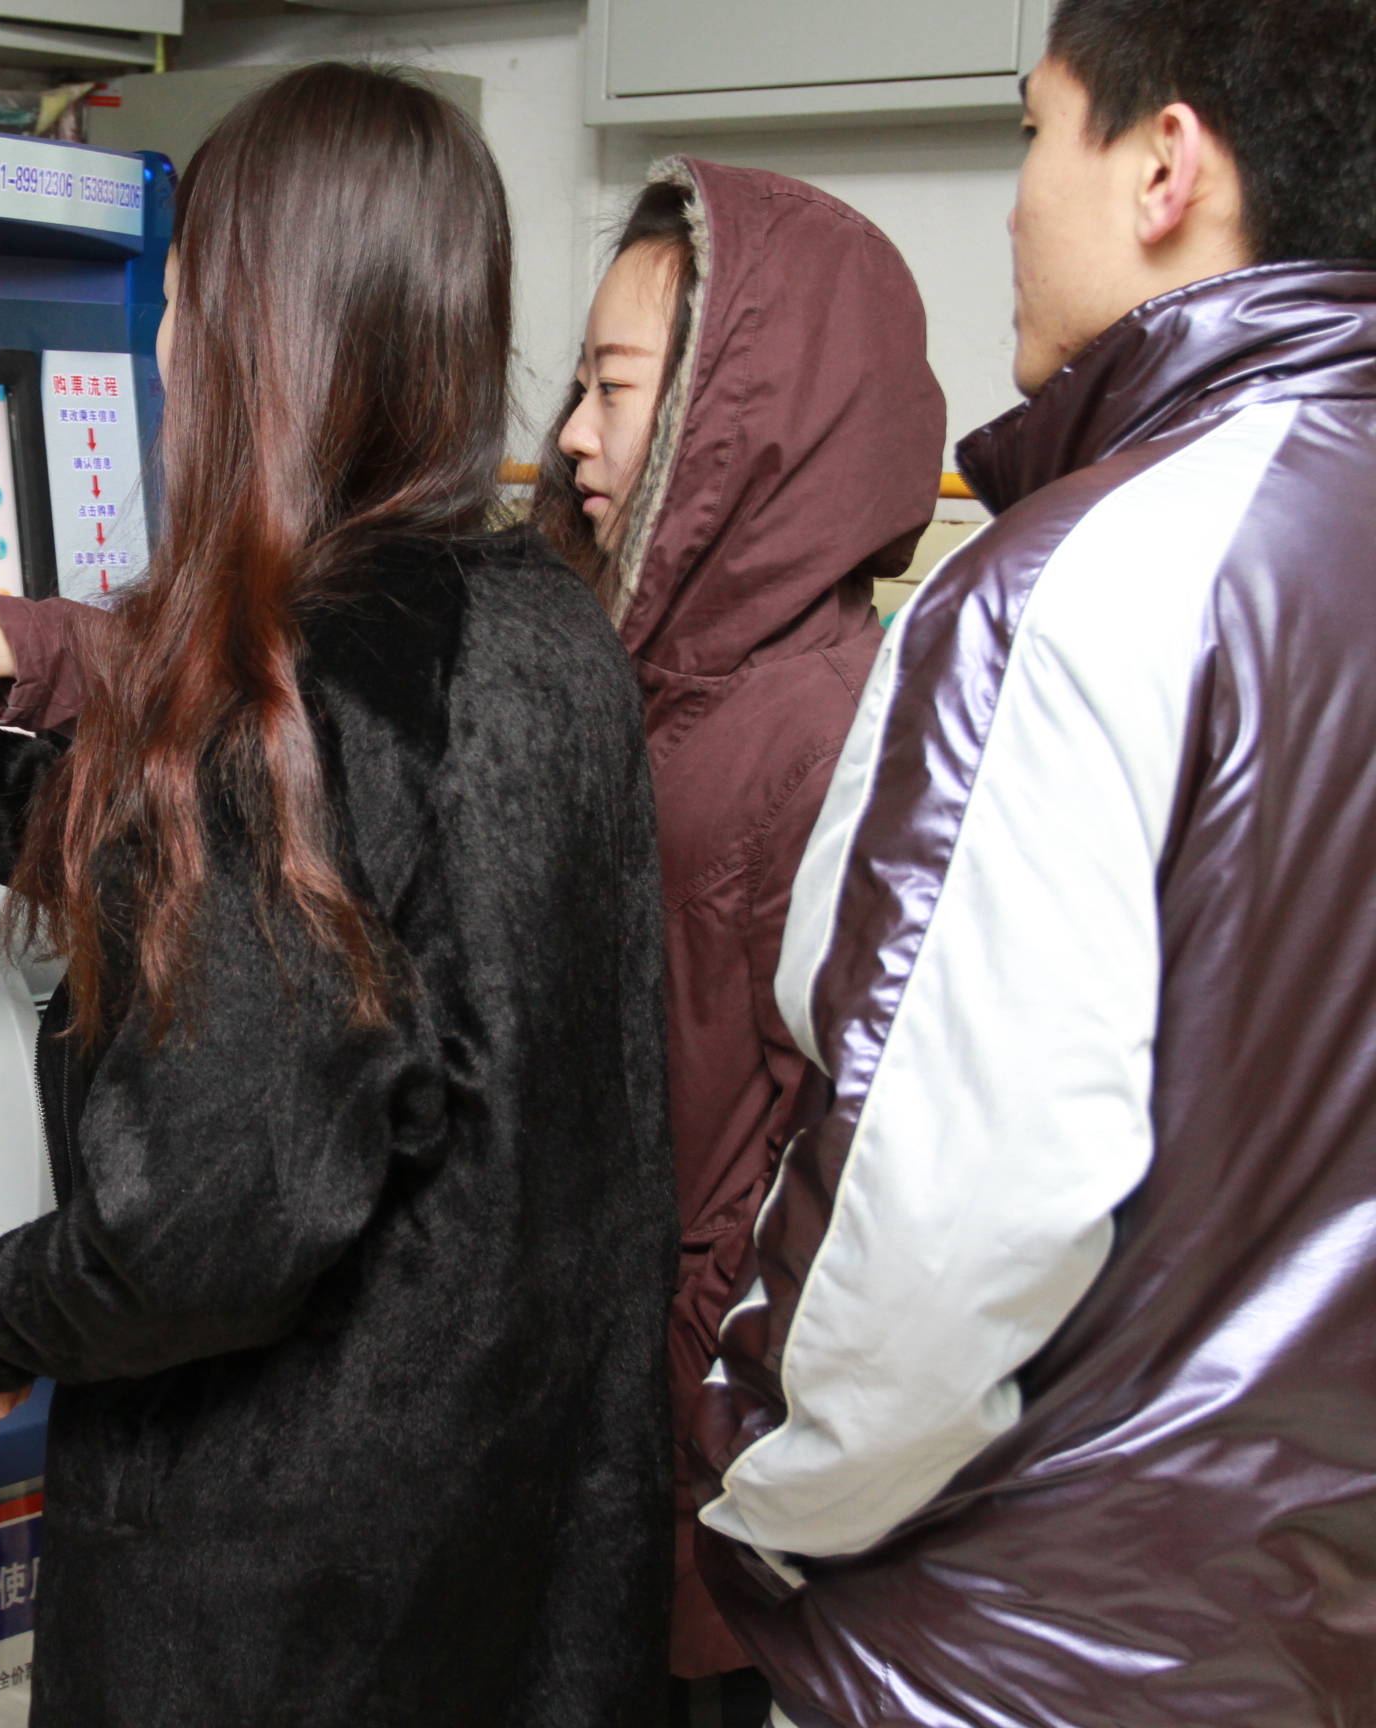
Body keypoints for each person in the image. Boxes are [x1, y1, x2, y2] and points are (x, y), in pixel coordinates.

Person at [0, 62, 676, 1728]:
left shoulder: (292, 682)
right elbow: (226, 873)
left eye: (177, 305)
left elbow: (197, 1226)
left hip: (279, 1608)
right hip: (503, 1566)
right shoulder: (546, 625)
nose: (165, 349)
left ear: (250, 340)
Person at [694, 3, 1376, 1724]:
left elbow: (942, 1227)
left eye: (1032, 132)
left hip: (1040, 1643)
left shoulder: (1074, 588)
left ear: (1164, 166)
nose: (1012, 202)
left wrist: (754, 1485)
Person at [531, 163, 945, 1723]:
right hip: (600, 1435)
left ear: (737, 423)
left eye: (615, 389)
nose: (573, 437)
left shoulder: (825, 733)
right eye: (578, 388)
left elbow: (815, 1162)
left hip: (678, 1469)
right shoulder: (637, 671)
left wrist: (683, 1440)